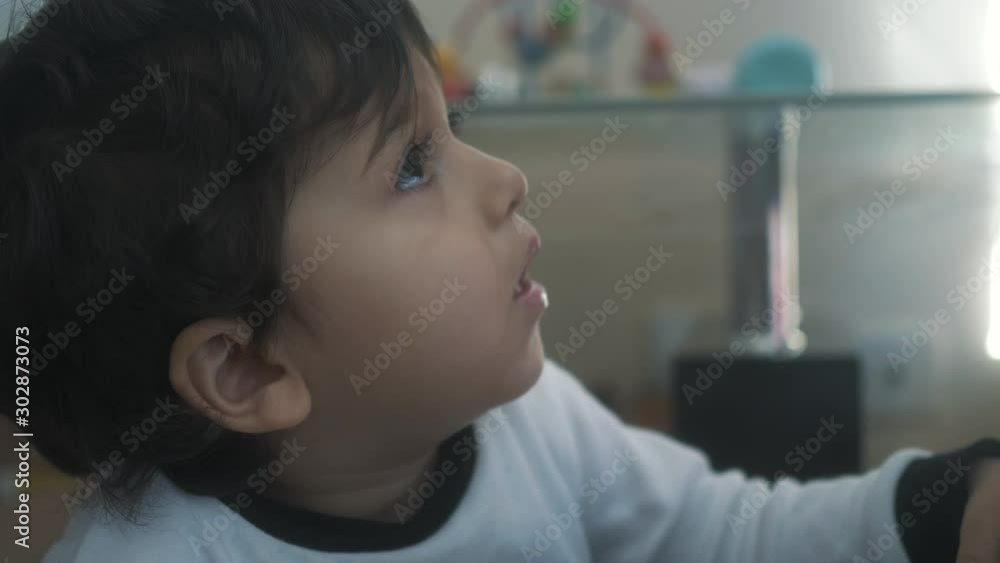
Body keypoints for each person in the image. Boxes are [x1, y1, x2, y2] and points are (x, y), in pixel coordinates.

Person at [2, 1, 999, 561]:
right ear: (248, 365)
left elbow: (720, 533)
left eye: (455, 131)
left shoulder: (534, 424)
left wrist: (941, 508)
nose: (507, 181)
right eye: (410, 166)